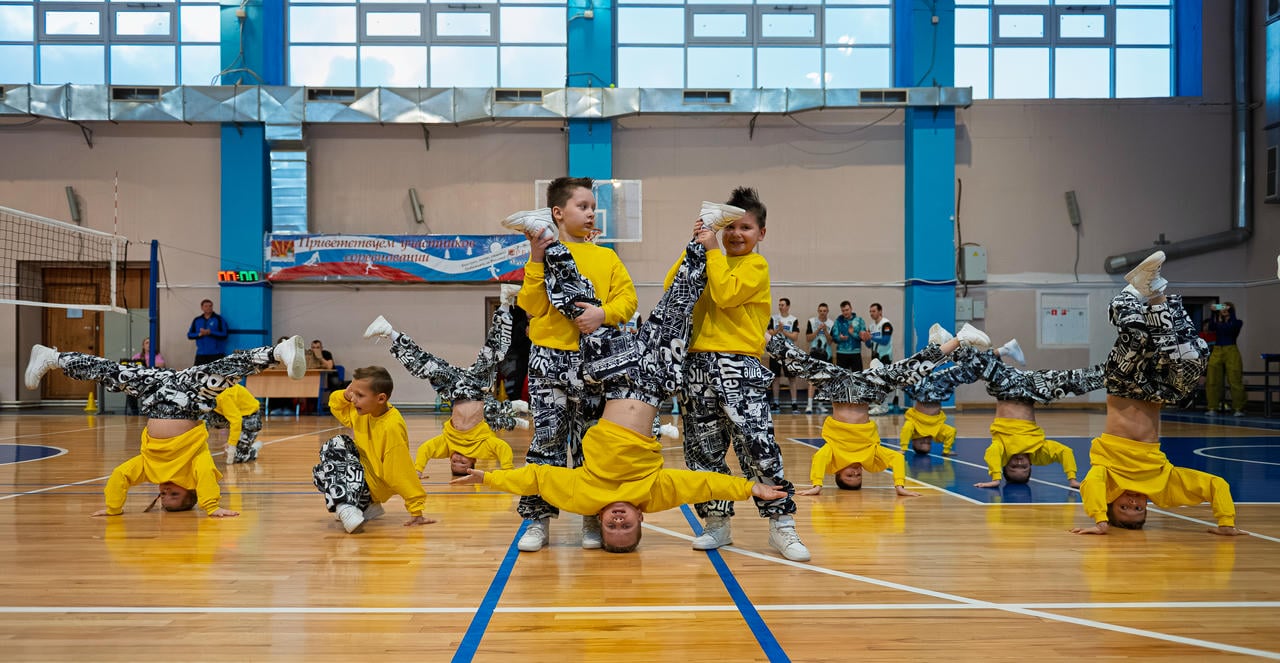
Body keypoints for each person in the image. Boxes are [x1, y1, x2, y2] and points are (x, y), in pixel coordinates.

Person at [454, 215, 787, 554]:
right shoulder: (652, 495)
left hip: (614, 376)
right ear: (640, 518)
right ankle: (705, 229)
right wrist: (750, 489)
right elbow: (700, 484)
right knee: (677, 304)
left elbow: (539, 477)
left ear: (599, 518)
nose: (617, 520)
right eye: (625, 526)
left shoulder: (585, 495)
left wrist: (488, 478)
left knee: (581, 305)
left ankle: (544, 236)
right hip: (656, 379)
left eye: (611, 527)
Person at [664, 187, 811, 562]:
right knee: (703, 452)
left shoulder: (755, 267)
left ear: (761, 233)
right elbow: (672, 289)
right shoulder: (708, 258)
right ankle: (717, 522)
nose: (735, 234)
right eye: (728, 226)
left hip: (739, 366)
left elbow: (726, 294)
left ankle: (781, 524)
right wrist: (697, 243)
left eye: (745, 227)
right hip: (697, 365)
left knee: (758, 447)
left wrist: (712, 250)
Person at [500, 177, 638, 552]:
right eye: (583, 206)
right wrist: (535, 259)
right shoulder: (544, 256)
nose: (591, 213)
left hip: (596, 363)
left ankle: (591, 516)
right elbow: (531, 306)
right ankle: (537, 520)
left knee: (591, 446)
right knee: (546, 443)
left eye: (593, 207)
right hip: (550, 360)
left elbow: (628, 301)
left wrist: (603, 313)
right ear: (558, 213)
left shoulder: (607, 258)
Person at [24, 336, 307, 517]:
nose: (167, 489)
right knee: (222, 372)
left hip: (155, 395)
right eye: (175, 494)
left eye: (163, 495)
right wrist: (211, 507)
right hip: (186, 400)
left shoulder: (148, 469)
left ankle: (53, 358)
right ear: (191, 490)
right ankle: (277, 352)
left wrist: (113, 508)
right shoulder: (194, 467)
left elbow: (120, 476)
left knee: (113, 373)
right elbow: (207, 478)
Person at [1072, 251, 1242, 536]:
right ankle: (1155, 293)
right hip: (1156, 392)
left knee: (1137, 337)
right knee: (1190, 356)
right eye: (1139, 509)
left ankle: (1131, 292)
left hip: (1123, 385)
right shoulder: (1163, 488)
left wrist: (1100, 521)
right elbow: (1216, 485)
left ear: (1111, 502)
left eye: (1124, 507)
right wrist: (1226, 522)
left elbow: (1091, 488)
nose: (1133, 502)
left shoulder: (1107, 479)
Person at [766, 324, 990, 498]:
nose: (856, 471)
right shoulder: (871, 457)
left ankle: (756, 331)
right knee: (909, 371)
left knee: (798, 362)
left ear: (838, 472)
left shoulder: (832, 457)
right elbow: (897, 459)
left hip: (838, 387)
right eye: (859, 475)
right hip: (867, 390)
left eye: (850, 475)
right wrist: (899, 486)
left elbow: (818, 460)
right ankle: (960, 338)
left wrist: (817, 485)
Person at [363, 284, 528, 480]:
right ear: (473, 461)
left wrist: (418, 470)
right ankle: (505, 301)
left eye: (453, 462)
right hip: (477, 388)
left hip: (455, 389)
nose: (457, 459)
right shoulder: (483, 448)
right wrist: (507, 472)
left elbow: (425, 450)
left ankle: (390, 332)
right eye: (462, 463)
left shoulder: (447, 445)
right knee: (495, 351)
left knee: (425, 366)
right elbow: (504, 450)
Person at [959, 341, 1103, 490]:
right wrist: (1072, 479)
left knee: (970, 365)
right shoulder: (1039, 454)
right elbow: (1065, 452)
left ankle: (996, 348)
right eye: (1024, 467)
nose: (1019, 462)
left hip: (1006, 389)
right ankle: (1113, 371)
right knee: (1082, 381)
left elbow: (991, 454)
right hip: (1035, 389)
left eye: (1014, 466)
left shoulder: (1002, 450)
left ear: (1005, 464)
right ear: (1031, 466)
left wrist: (995, 479)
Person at [312, 366, 437, 534]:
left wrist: (416, 510)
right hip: (364, 476)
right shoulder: (364, 411)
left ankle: (347, 506)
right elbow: (335, 406)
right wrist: (344, 395)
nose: (353, 400)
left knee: (335, 448)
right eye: (353, 393)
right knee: (321, 471)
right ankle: (364, 507)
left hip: (375, 484)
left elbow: (399, 470)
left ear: (381, 398)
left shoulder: (391, 427)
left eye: (359, 395)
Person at [898, 363, 975, 457]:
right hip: (939, 394)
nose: (926, 440)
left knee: (909, 381)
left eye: (922, 443)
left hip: (923, 394)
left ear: (913, 442)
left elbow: (906, 430)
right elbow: (951, 433)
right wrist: (946, 450)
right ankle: (970, 367)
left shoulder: (913, 427)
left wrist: (903, 449)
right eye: (928, 443)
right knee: (956, 375)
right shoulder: (936, 432)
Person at [1204, 301, 1245, 416]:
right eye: (1222, 307)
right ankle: (1212, 407)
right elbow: (1211, 327)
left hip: (1231, 350)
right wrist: (1213, 313)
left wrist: (1230, 311)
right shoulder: (1217, 323)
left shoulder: (1237, 322)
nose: (1224, 309)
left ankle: (1238, 408)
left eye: (1226, 308)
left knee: (1235, 379)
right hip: (1217, 349)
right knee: (1213, 379)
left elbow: (1231, 328)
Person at [206, 383, 264, 464]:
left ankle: (252, 450)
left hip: (249, 417)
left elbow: (236, 421)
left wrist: (231, 443)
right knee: (202, 416)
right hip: (225, 413)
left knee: (239, 457)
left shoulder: (223, 396)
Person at [768, 297, 802, 413]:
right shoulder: (773, 318)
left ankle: (794, 404)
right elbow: (770, 333)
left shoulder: (793, 319)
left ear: (788, 306)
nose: (780, 307)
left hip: (788, 352)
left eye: (782, 305)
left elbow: (795, 337)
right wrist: (778, 330)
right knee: (775, 378)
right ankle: (776, 403)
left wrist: (783, 331)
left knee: (792, 378)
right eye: (779, 305)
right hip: (775, 352)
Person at [803, 303, 834, 414]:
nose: (822, 313)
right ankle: (809, 405)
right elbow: (808, 338)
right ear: (818, 311)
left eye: (824, 311)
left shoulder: (831, 323)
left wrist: (825, 331)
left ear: (827, 311)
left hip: (826, 355)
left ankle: (820, 405)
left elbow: (830, 341)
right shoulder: (811, 321)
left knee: (823, 381)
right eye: (820, 310)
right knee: (812, 380)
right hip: (814, 354)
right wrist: (817, 330)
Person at [865, 302, 895, 415]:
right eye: (870, 311)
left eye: (874, 311)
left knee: (883, 382)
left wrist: (871, 337)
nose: (871, 313)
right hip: (875, 357)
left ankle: (883, 406)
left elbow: (885, 341)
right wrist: (866, 339)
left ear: (880, 311)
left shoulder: (886, 324)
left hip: (884, 357)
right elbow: (869, 345)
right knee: (875, 381)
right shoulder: (871, 326)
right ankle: (878, 404)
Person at [126, 338, 165, 415]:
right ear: (143, 346)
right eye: (147, 343)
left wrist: (144, 365)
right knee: (129, 389)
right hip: (139, 380)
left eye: (150, 343)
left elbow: (161, 365)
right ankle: (134, 412)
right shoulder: (138, 356)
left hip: (152, 380)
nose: (149, 345)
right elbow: (131, 365)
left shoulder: (157, 355)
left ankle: (150, 411)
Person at [187, 299, 229, 365]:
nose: (208, 308)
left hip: (216, 354)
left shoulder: (219, 319)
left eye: (210, 306)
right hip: (201, 354)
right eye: (206, 306)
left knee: (217, 372)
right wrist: (199, 334)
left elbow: (224, 335)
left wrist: (210, 333)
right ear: (202, 307)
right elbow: (190, 335)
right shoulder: (197, 320)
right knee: (198, 371)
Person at [832, 300, 867, 373]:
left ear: (851, 309)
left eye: (847, 310)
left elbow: (863, 338)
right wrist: (840, 338)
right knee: (841, 377)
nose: (845, 312)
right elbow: (834, 338)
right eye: (843, 311)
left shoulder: (859, 321)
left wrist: (852, 333)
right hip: (841, 353)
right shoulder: (838, 322)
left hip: (855, 353)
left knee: (858, 377)